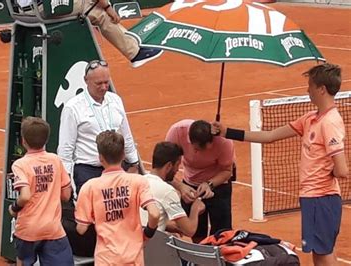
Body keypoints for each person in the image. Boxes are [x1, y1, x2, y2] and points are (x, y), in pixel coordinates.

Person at [212, 63, 348, 266]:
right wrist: (227, 132)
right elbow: (270, 136)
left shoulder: (329, 122)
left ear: (321, 89)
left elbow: (342, 169)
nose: (307, 90)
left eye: (310, 86)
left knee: (323, 254)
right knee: (322, 252)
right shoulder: (311, 118)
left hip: (322, 198)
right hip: (314, 198)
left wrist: (322, 176)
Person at [75, 130, 160, 265]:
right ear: (123, 155)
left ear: (100, 158)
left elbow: (81, 229)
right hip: (134, 258)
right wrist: (147, 234)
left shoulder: (89, 187)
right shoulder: (138, 181)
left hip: (106, 259)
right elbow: (155, 214)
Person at [58, 59, 139, 195]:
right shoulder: (72, 108)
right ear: (86, 80)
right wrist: (65, 180)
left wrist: (134, 163)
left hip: (117, 168)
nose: (103, 87)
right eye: (98, 83)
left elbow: (126, 135)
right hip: (89, 171)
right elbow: (65, 148)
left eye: (106, 82)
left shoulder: (116, 100)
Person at [16, 0, 163, 68]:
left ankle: (132, 45)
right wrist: (108, 6)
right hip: (44, 9)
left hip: (24, 11)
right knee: (98, 11)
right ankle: (134, 53)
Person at [8, 116, 74, 266]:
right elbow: (66, 195)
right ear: (46, 140)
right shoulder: (55, 160)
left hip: (28, 230)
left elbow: (24, 196)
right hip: (53, 229)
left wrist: (13, 208)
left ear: (23, 141)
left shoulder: (20, 164)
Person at [166, 119, 235, 242]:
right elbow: (165, 168)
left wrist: (209, 184)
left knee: (222, 235)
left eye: (205, 150)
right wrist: (181, 186)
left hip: (219, 186)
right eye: (196, 149)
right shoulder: (177, 132)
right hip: (189, 186)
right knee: (196, 234)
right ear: (189, 140)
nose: (198, 153)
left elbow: (227, 171)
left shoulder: (225, 142)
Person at [140, 141, 205, 238]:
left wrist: (167, 226)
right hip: (149, 246)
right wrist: (196, 207)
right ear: (169, 166)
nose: (177, 170)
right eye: (177, 165)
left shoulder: (139, 180)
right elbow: (189, 230)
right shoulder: (167, 191)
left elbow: (142, 219)